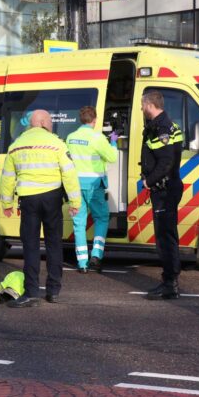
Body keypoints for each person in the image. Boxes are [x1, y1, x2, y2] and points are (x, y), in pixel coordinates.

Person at [0, 109, 81, 307]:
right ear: (43, 122)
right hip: (52, 198)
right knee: (54, 245)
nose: (52, 124)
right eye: (50, 121)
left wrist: (7, 203)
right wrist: (75, 202)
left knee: (31, 246)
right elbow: (69, 174)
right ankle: (53, 291)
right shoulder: (57, 144)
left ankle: (32, 292)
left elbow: (7, 177)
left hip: (28, 201)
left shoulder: (16, 145)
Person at [140, 91, 184, 300]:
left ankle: (170, 283)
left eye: (142, 105)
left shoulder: (161, 128)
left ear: (149, 105)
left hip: (164, 190)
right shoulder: (166, 125)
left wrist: (149, 181)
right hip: (167, 187)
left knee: (165, 238)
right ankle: (170, 281)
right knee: (167, 236)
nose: (141, 108)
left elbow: (165, 162)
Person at [65, 106, 118, 273]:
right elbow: (112, 157)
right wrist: (114, 141)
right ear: (94, 121)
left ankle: (82, 263)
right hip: (94, 186)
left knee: (79, 223)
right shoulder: (98, 137)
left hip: (75, 186)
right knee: (101, 218)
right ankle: (96, 255)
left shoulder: (71, 137)